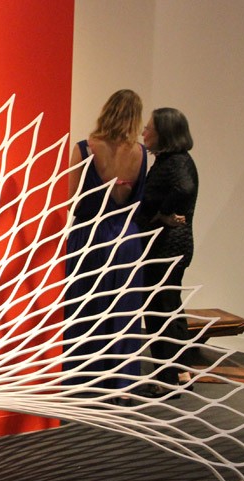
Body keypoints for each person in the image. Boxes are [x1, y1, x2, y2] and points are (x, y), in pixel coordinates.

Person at [64, 89, 148, 394]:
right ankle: (120, 382)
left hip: (91, 237)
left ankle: (82, 379)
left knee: (85, 307)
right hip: (127, 240)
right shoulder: (140, 154)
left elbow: (72, 201)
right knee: (122, 311)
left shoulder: (85, 148)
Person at [135, 107, 198, 397]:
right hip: (169, 246)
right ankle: (179, 373)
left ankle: (169, 378)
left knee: (161, 311)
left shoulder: (176, 162)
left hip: (166, 247)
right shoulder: (172, 160)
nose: (144, 132)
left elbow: (184, 189)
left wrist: (162, 214)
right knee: (167, 308)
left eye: (149, 128)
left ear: (164, 133)